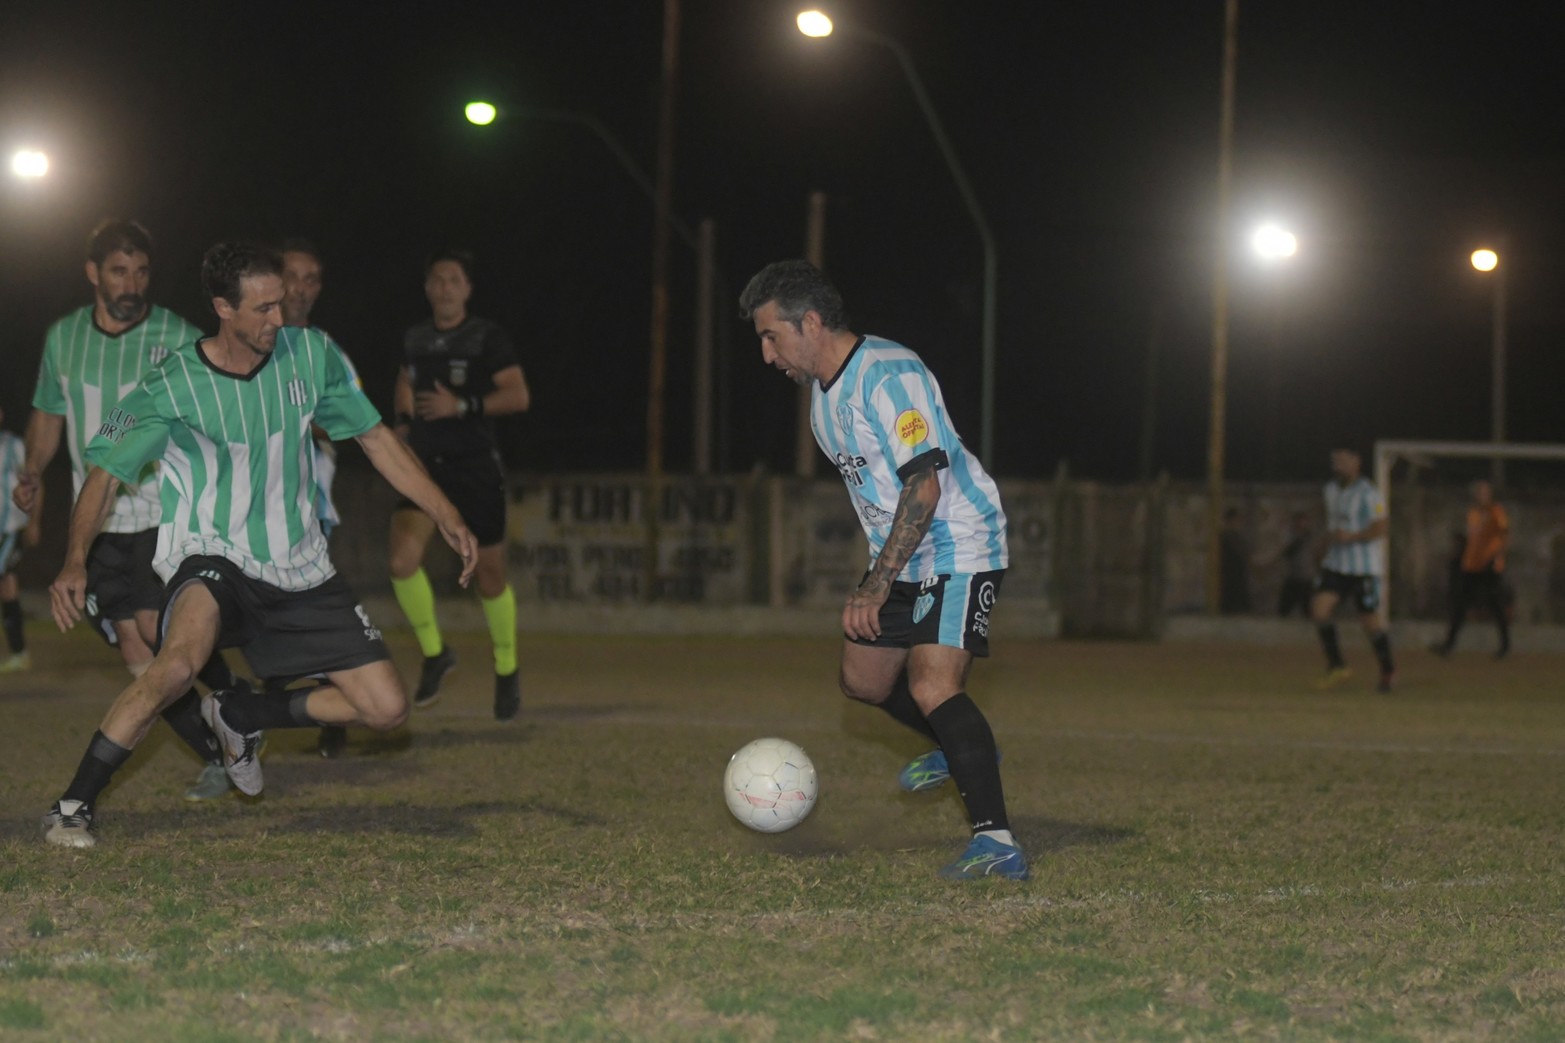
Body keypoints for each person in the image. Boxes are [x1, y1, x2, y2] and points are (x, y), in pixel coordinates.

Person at [40, 241, 478, 848]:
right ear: (224, 308)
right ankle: (72, 805)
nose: (280, 316)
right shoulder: (170, 384)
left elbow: (375, 438)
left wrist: (445, 511)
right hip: (212, 554)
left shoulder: (312, 354)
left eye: (282, 302)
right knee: (176, 665)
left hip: (299, 563)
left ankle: (240, 714)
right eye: (265, 308)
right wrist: (74, 560)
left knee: (386, 709)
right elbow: (104, 474)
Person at [739, 259, 1027, 881]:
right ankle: (961, 743)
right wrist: (881, 572)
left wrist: (875, 583)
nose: (767, 355)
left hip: (957, 540)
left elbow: (924, 486)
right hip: (903, 554)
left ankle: (996, 841)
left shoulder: (888, 373)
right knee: (864, 681)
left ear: (809, 323)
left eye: (771, 336)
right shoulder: (822, 399)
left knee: (933, 686)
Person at [12, 219, 240, 800]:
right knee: (137, 652)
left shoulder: (177, 336)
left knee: (151, 626)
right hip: (97, 520)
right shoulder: (64, 339)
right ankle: (222, 748)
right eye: (119, 272)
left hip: (163, 511)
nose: (131, 284)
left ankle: (237, 705)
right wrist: (32, 472)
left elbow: (218, 405)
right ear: (93, 273)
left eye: (141, 272)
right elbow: (48, 414)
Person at [390, 249, 530, 720]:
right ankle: (435, 653)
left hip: (475, 467)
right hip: (426, 467)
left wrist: (462, 406)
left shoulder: (486, 337)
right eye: (437, 279)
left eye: (454, 280)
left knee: (490, 577)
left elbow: (518, 395)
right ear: (427, 288)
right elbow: (404, 381)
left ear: (468, 289)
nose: (445, 287)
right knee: (401, 562)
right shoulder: (415, 337)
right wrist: (403, 422)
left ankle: (506, 666)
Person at [279, 239, 354, 757]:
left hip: (308, 511)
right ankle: (256, 710)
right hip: (244, 510)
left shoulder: (326, 351)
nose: (300, 288)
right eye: (292, 276)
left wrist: (304, 419)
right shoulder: (250, 342)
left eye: (311, 279)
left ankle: (334, 714)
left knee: (314, 614)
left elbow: (350, 421)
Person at [1310, 448, 1396, 692]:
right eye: (1335, 461)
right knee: (1319, 609)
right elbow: (1333, 525)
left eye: (1344, 461)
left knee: (1370, 622)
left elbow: (1381, 527)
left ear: (1357, 462)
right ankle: (1337, 666)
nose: (1338, 465)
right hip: (1336, 564)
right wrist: (1322, 545)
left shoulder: (1369, 493)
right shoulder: (1330, 490)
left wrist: (1353, 536)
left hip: (1363, 568)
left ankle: (1388, 670)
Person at [1432, 480, 1511, 658]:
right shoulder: (1473, 513)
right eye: (1478, 492)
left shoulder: (1496, 512)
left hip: (1489, 566)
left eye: (1484, 492)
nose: (1480, 495)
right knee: (1460, 604)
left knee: (1495, 605)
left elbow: (1504, 535)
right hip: (1471, 566)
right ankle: (1448, 645)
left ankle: (1505, 645)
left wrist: (1498, 557)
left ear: (1489, 494)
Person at [1, 405, 43, 672]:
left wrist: (34, 522)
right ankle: (19, 652)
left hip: (10, 528)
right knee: (8, 587)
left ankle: (20, 652)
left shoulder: (13, 446)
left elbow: (35, 482)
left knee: (6, 582)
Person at [1257, 510, 1315, 618]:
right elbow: (1284, 551)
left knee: (1307, 608)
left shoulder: (1310, 537)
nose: (1304, 524)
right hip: (1293, 576)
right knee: (1284, 608)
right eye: (1301, 521)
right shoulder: (1290, 536)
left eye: (1305, 521)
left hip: (1306, 577)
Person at [1219, 507, 1252, 614]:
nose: (1239, 522)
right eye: (1237, 519)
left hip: (1238, 575)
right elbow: (1241, 553)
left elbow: (1246, 553)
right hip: (1230, 577)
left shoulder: (1237, 537)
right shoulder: (1226, 537)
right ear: (1231, 520)